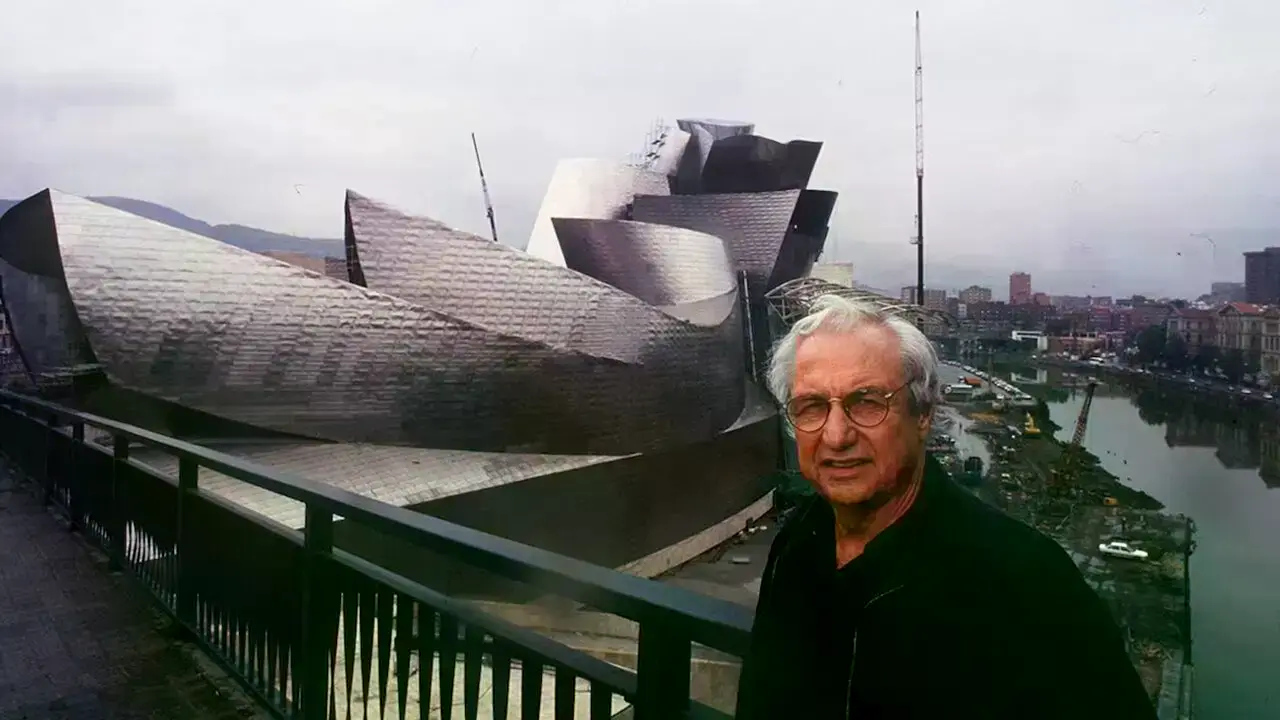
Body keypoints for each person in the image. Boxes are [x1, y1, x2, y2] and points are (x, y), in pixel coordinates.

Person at [735, 295, 1156, 719]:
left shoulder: (1029, 585)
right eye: (812, 407)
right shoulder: (794, 546)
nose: (836, 435)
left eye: (866, 403)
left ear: (923, 415)